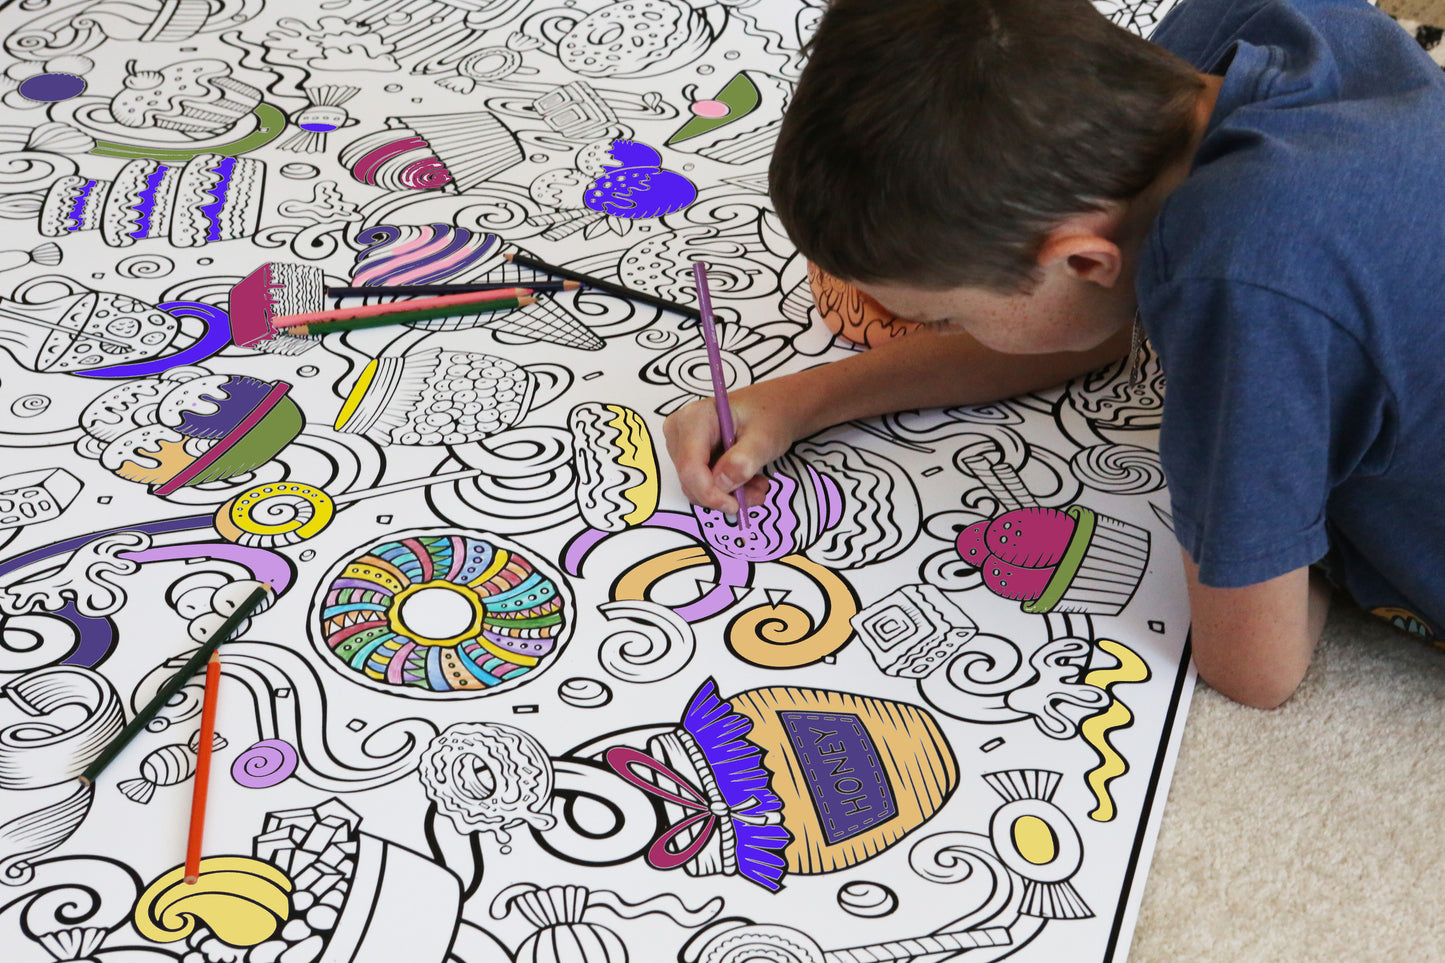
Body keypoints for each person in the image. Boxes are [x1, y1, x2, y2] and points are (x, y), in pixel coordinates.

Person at [664, 0, 1445, 709]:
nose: (930, 330)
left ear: (1080, 259)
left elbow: (1254, 667)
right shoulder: (1227, 39)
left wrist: (1261, 505)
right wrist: (799, 400)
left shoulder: (1240, 279)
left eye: (942, 318)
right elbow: (1084, 321)